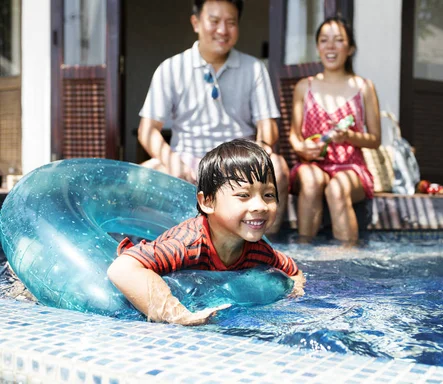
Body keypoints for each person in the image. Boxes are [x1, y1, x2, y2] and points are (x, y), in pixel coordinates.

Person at [108, 139, 305, 326]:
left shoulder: (258, 249)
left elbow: (292, 271)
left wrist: (294, 290)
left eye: (268, 195)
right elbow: (122, 269)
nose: (260, 206)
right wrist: (177, 315)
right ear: (207, 202)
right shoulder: (187, 244)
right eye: (244, 195)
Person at [137, 0, 289, 234]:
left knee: (277, 166)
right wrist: (170, 159)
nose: (222, 30)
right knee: (143, 175)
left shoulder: (254, 68)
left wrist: (264, 147)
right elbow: (147, 130)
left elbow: (267, 126)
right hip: (187, 161)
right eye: (215, 21)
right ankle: (157, 246)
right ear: (196, 22)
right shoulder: (171, 68)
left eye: (231, 23)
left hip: (238, 163)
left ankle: (268, 251)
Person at [288, 17, 381, 244]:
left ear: (350, 49)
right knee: (311, 181)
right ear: (318, 47)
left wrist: (349, 136)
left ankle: (347, 261)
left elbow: (376, 139)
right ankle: (302, 253)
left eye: (339, 40)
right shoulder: (304, 86)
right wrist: (302, 147)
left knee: (337, 189)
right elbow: (294, 135)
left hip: (352, 167)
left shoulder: (364, 87)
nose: (330, 46)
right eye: (324, 40)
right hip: (312, 164)